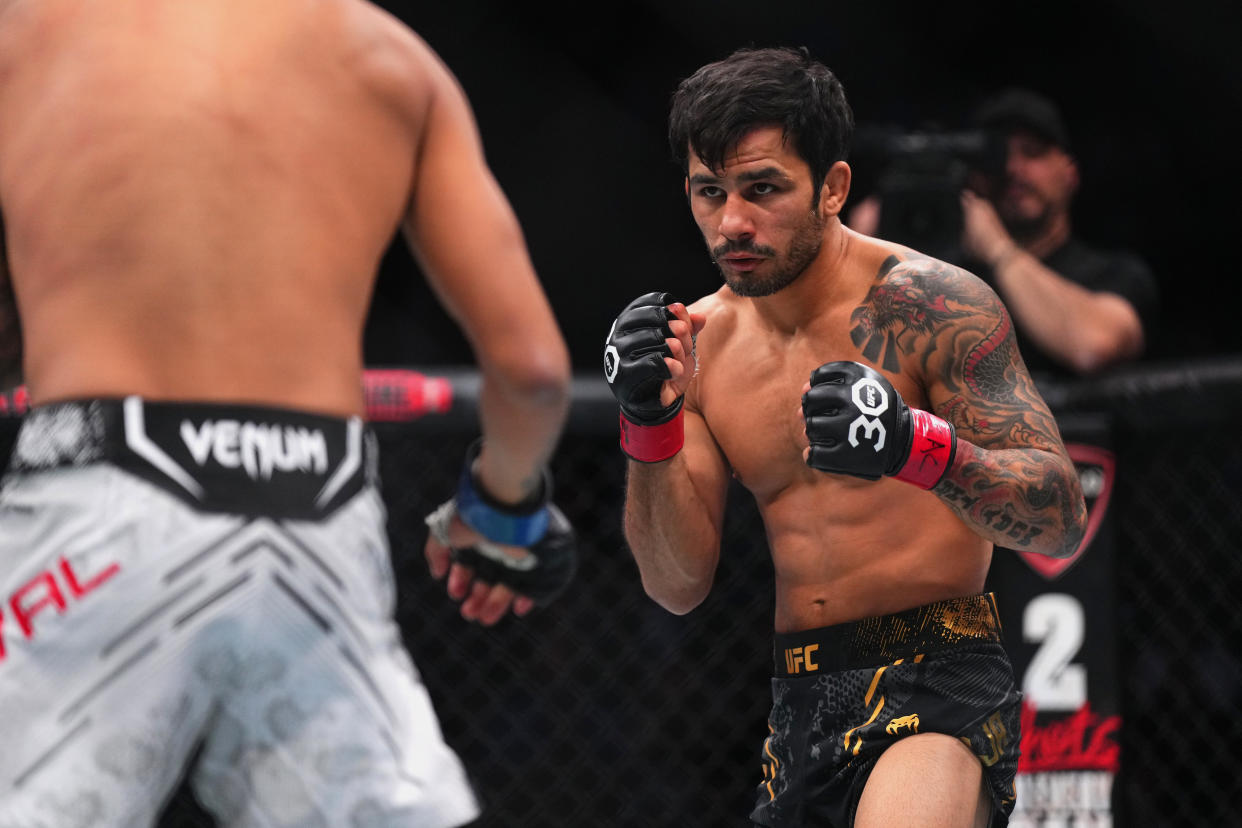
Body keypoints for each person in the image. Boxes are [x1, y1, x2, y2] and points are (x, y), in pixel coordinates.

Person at [0, 1, 576, 826]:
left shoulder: (28, 35)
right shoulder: (390, 60)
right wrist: (503, 508)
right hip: (317, 516)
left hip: (102, 507)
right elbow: (533, 372)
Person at [604, 46, 1088, 827]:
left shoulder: (930, 305)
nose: (733, 223)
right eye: (709, 192)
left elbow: (1061, 516)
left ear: (832, 188)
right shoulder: (699, 348)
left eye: (763, 189)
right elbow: (675, 583)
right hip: (799, 698)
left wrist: (915, 449)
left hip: (941, 676)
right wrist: (648, 422)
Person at [850, 87, 1159, 380]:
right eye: (995, 158)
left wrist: (999, 248)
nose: (1012, 168)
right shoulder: (946, 284)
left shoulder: (1114, 274)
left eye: (1032, 152)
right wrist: (861, 256)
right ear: (976, 179)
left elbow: (1093, 348)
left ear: (1069, 172)